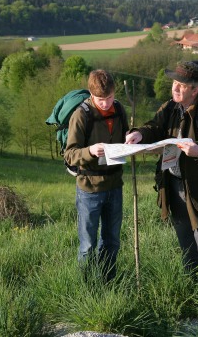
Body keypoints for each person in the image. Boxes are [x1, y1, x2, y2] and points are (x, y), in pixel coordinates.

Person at [125, 61, 198, 307]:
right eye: (175, 84)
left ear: (196, 89)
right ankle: (191, 287)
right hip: (172, 183)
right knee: (183, 234)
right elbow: (154, 126)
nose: (176, 89)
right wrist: (140, 133)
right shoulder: (170, 107)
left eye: (182, 85)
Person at [64, 69, 128, 282]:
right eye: (101, 99)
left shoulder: (119, 109)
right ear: (91, 95)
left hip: (115, 185)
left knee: (112, 241)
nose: (106, 103)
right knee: (88, 245)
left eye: (110, 97)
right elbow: (70, 154)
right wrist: (90, 151)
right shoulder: (81, 115)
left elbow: (126, 135)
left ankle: (108, 282)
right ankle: (86, 287)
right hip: (89, 189)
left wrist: (133, 137)